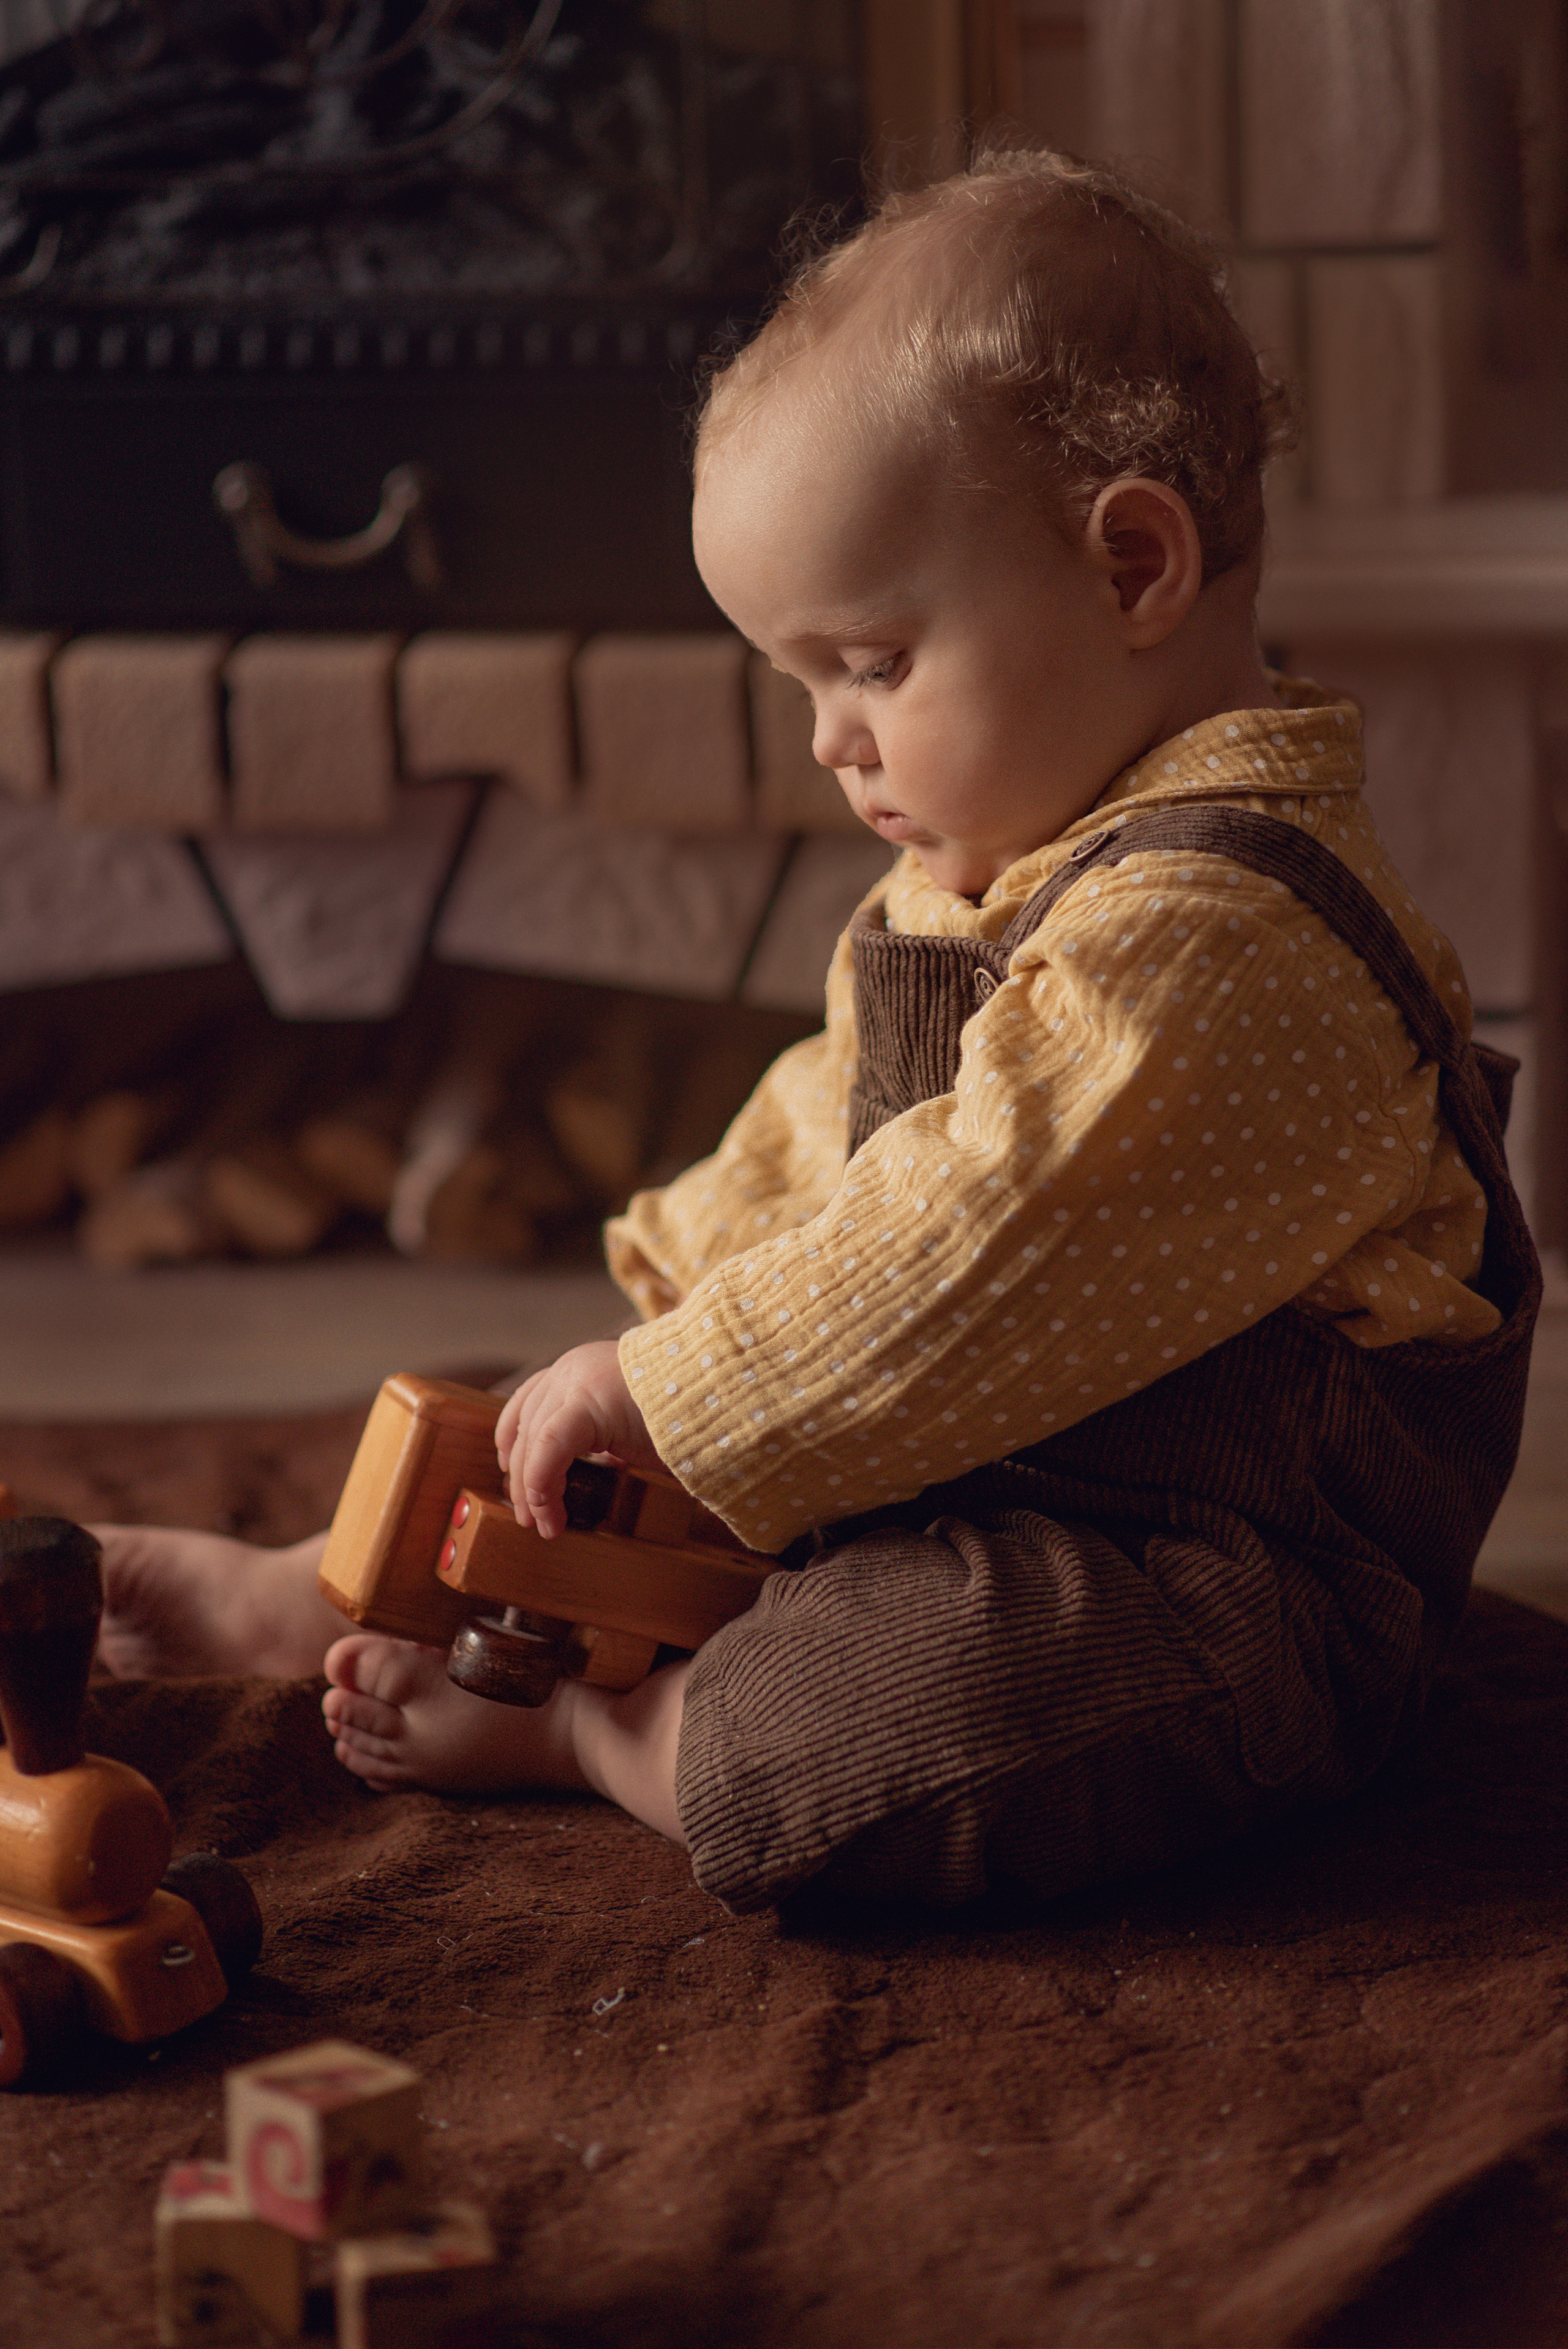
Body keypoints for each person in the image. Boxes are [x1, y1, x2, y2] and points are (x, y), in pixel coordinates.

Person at [97, 148, 1539, 1912]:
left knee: (879, 1703)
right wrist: (664, 1308)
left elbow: (974, 1230)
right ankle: (323, 1583)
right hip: (979, 1465)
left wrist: (679, 1392)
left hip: (1217, 1585)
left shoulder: (1229, 941)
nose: (828, 744)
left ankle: (611, 1742)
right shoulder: (1014, 869)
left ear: (1136, 563)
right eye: (800, 683)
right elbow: (841, 1138)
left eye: (869, 663)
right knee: (648, 1478)